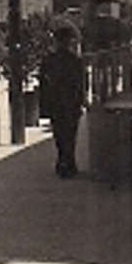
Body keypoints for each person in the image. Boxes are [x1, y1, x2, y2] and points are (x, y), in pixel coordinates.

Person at [41, 20, 87, 178]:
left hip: (56, 102)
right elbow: (81, 84)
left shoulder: (49, 60)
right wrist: (82, 101)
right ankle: (69, 161)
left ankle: (63, 159)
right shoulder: (76, 61)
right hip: (71, 101)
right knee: (70, 133)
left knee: (59, 133)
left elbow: (44, 84)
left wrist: (44, 104)